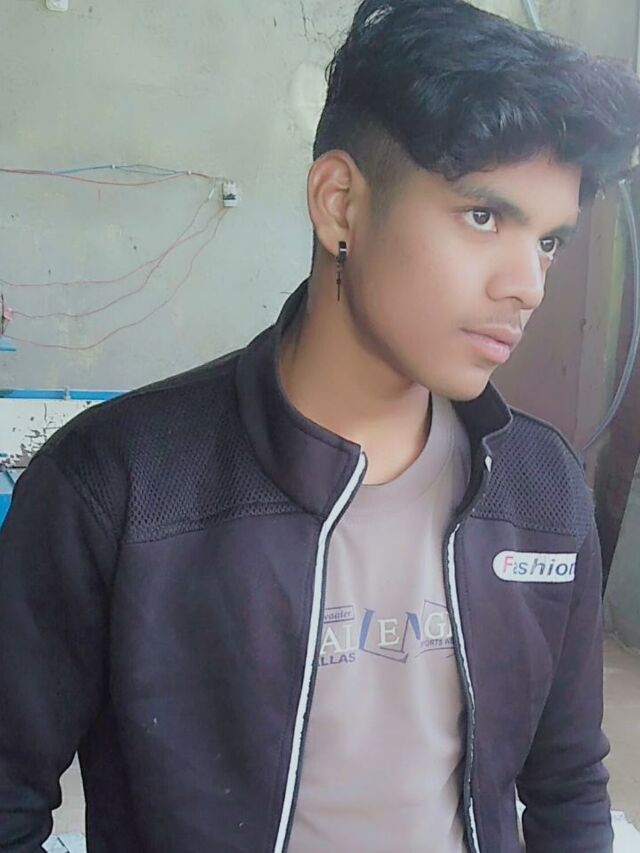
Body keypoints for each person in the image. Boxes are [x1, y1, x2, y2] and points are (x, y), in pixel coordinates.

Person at [2, 1, 640, 851]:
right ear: (340, 204)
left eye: (550, 241)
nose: (528, 284)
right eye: (484, 217)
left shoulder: (541, 488)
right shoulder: (116, 485)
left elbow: (568, 791)